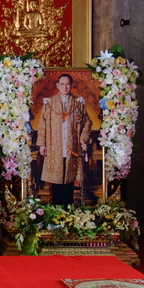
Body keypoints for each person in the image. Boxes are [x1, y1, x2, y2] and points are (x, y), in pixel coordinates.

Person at [37, 74, 91, 206]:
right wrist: (42, 144)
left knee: (69, 179)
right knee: (56, 180)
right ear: (57, 85)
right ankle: (56, 212)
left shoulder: (78, 103)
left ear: (71, 85)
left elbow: (87, 123)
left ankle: (68, 212)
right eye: (62, 84)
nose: (65, 87)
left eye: (68, 84)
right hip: (54, 146)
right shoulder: (49, 103)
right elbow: (42, 124)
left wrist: (83, 140)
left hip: (72, 147)